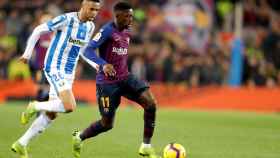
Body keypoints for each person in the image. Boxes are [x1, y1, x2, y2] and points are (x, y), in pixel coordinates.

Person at [11, 1, 116, 158]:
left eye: (97, 10)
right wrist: (27, 54)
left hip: (69, 72)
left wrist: (97, 64)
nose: (94, 13)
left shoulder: (90, 27)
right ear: (83, 7)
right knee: (69, 106)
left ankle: (21, 144)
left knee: (52, 114)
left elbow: (83, 50)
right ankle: (35, 105)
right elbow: (39, 30)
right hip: (54, 67)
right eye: (91, 9)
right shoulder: (67, 19)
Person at [72, 2, 160, 158]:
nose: (130, 19)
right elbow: (88, 50)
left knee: (151, 103)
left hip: (125, 77)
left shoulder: (127, 31)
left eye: (132, 16)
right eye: (127, 16)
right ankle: (79, 137)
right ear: (117, 16)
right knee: (107, 124)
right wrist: (103, 64)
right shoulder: (107, 30)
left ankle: (146, 145)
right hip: (107, 84)